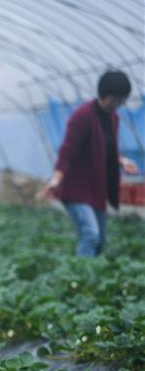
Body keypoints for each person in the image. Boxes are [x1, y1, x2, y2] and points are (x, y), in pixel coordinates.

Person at [39, 70, 139, 256]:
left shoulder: (113, 118)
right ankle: (82, 276)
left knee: (100, 240)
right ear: (104, 94)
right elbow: (67, 150)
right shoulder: (82, 116)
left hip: (96, 189)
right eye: (115, 99)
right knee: (90, 235)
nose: (118, 104)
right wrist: (55, 179)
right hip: (75, 189)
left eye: (121, 100)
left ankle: (91, 273)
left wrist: (122, 161)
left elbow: (107, 149)